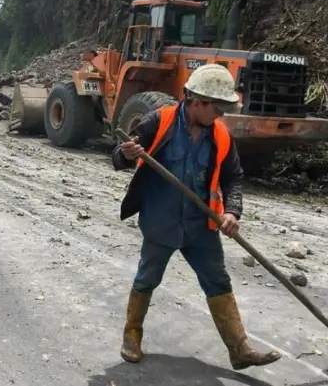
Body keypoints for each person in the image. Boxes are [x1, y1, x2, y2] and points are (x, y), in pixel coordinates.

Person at [112, 63, 281, 371]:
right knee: (147, 277)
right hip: (161, 222)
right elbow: (119, 157)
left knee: (218, 280)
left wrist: (232, 211)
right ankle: (132, 335)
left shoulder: (221, 136)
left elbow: (233, 179)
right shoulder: (158, 122)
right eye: (217, 108)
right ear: (196, 101)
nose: (221, 115)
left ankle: (240, 348)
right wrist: (127, 153)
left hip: (201, 226)